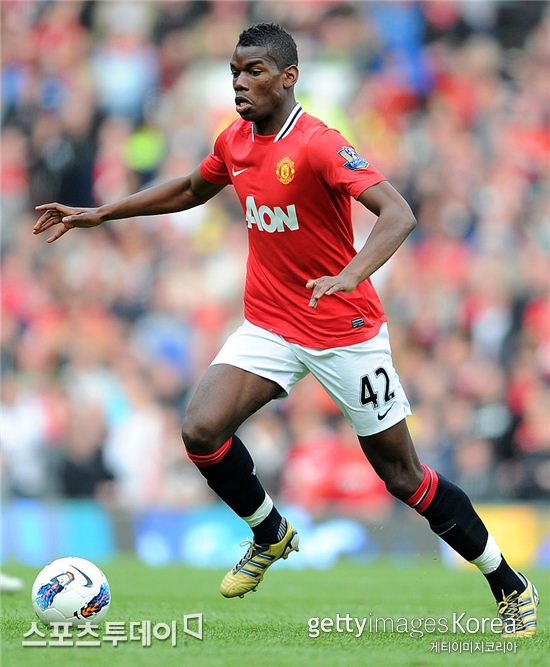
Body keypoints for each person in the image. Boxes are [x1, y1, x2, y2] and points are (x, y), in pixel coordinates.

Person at [33, 23, 538, 636]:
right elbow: (192, 188)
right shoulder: (235, 140)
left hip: (344, 329)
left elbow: (398, 213)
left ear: (288, 76)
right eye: (235, 72)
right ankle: (269, 531)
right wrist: (102, 213)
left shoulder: (320, 144)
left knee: (403, 477)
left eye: (254, 72)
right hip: (271, 323)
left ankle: (508, 583)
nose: (240, 84)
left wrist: (350, 275)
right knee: (200, 429)